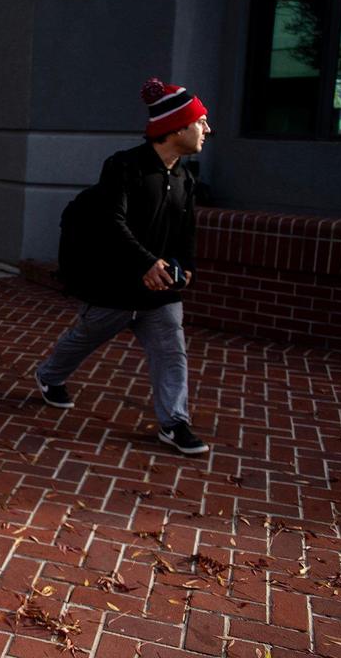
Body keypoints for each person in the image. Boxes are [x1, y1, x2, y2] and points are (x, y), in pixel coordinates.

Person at [35, 77, 212, 456]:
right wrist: (145, 262)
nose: (207, 130)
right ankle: (49, 376)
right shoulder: (124, 166)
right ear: (177, 127)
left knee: (171, 351)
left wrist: (187, 264)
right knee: (86, 337)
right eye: (201, 122)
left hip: (160, 289)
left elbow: (186, 230)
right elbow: (110, 222)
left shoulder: (184, 176)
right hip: (114, 285)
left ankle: (173, 422)